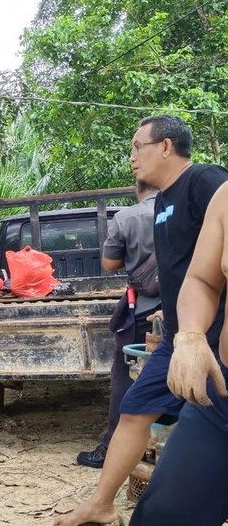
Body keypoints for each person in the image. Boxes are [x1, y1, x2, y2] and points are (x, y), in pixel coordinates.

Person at [55, 115, 228, 526]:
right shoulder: (165, 200)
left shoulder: (205, 181)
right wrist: (181, 319)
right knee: (134, 409)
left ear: (166, 146)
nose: (132, 157)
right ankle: (101, 504)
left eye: (137, 147)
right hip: (184, 337)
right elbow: (199, 273)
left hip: (210, 342)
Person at [129, 182, 228, 525]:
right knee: (163, 514)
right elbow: (202, 279)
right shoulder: (226, 197)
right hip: (221, 398)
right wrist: (190, 335)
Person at [76, 181, 161, 469]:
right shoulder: (188, 211)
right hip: (186, 307)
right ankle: (169, 446)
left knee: (125, 374)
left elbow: (110, 263)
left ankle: (113, 447)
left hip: (143, 309)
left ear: (139, 189)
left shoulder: (128, 217)